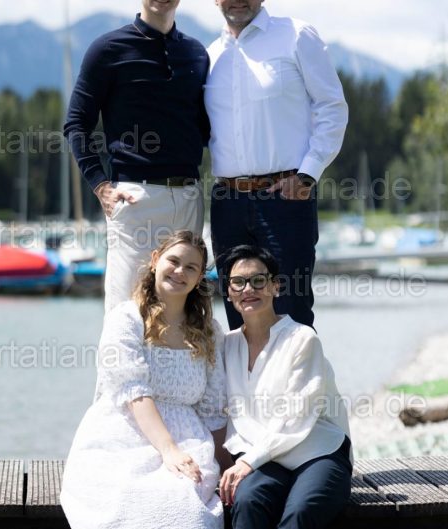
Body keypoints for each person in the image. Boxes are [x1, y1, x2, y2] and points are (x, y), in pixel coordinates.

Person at [60, 231, 227, 529]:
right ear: (154, 260)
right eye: (173, 261)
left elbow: (213, 410)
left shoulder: (210, 331)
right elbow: (133, 391)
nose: (180, 271)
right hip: (122, 436)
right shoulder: (126, 318)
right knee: (128, 501)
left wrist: (227, 466)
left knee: (182, 507)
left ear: (200, 277)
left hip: (189, 440)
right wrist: (168, 450)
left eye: (191, 267)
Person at [205, 0, 349, 330]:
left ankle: (299, 369)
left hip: (285, 197)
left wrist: (308, 173)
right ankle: (247, 370)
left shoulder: (296, 36)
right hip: (227, 203)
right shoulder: (210, 57)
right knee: (239, 317)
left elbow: (332, 107)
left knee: (291, 312)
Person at [64, 0, 210, 313]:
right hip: (135, 199)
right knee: (126, 311)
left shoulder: (197, 53)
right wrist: (100, 184)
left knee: (181, 315)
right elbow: (76, 124)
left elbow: (205, 128)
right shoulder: (107, 49)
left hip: (189, 196)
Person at [217, 245, 353, 529]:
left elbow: (297, 416)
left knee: (300, 511)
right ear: (228, 292)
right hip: (264, 459)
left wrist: (248, 461)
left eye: (258, 280)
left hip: (316, 451)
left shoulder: (302, 338)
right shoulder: (226, 345)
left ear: (275, 286)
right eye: (238, 282)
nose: (248, 289)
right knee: (248, 501)